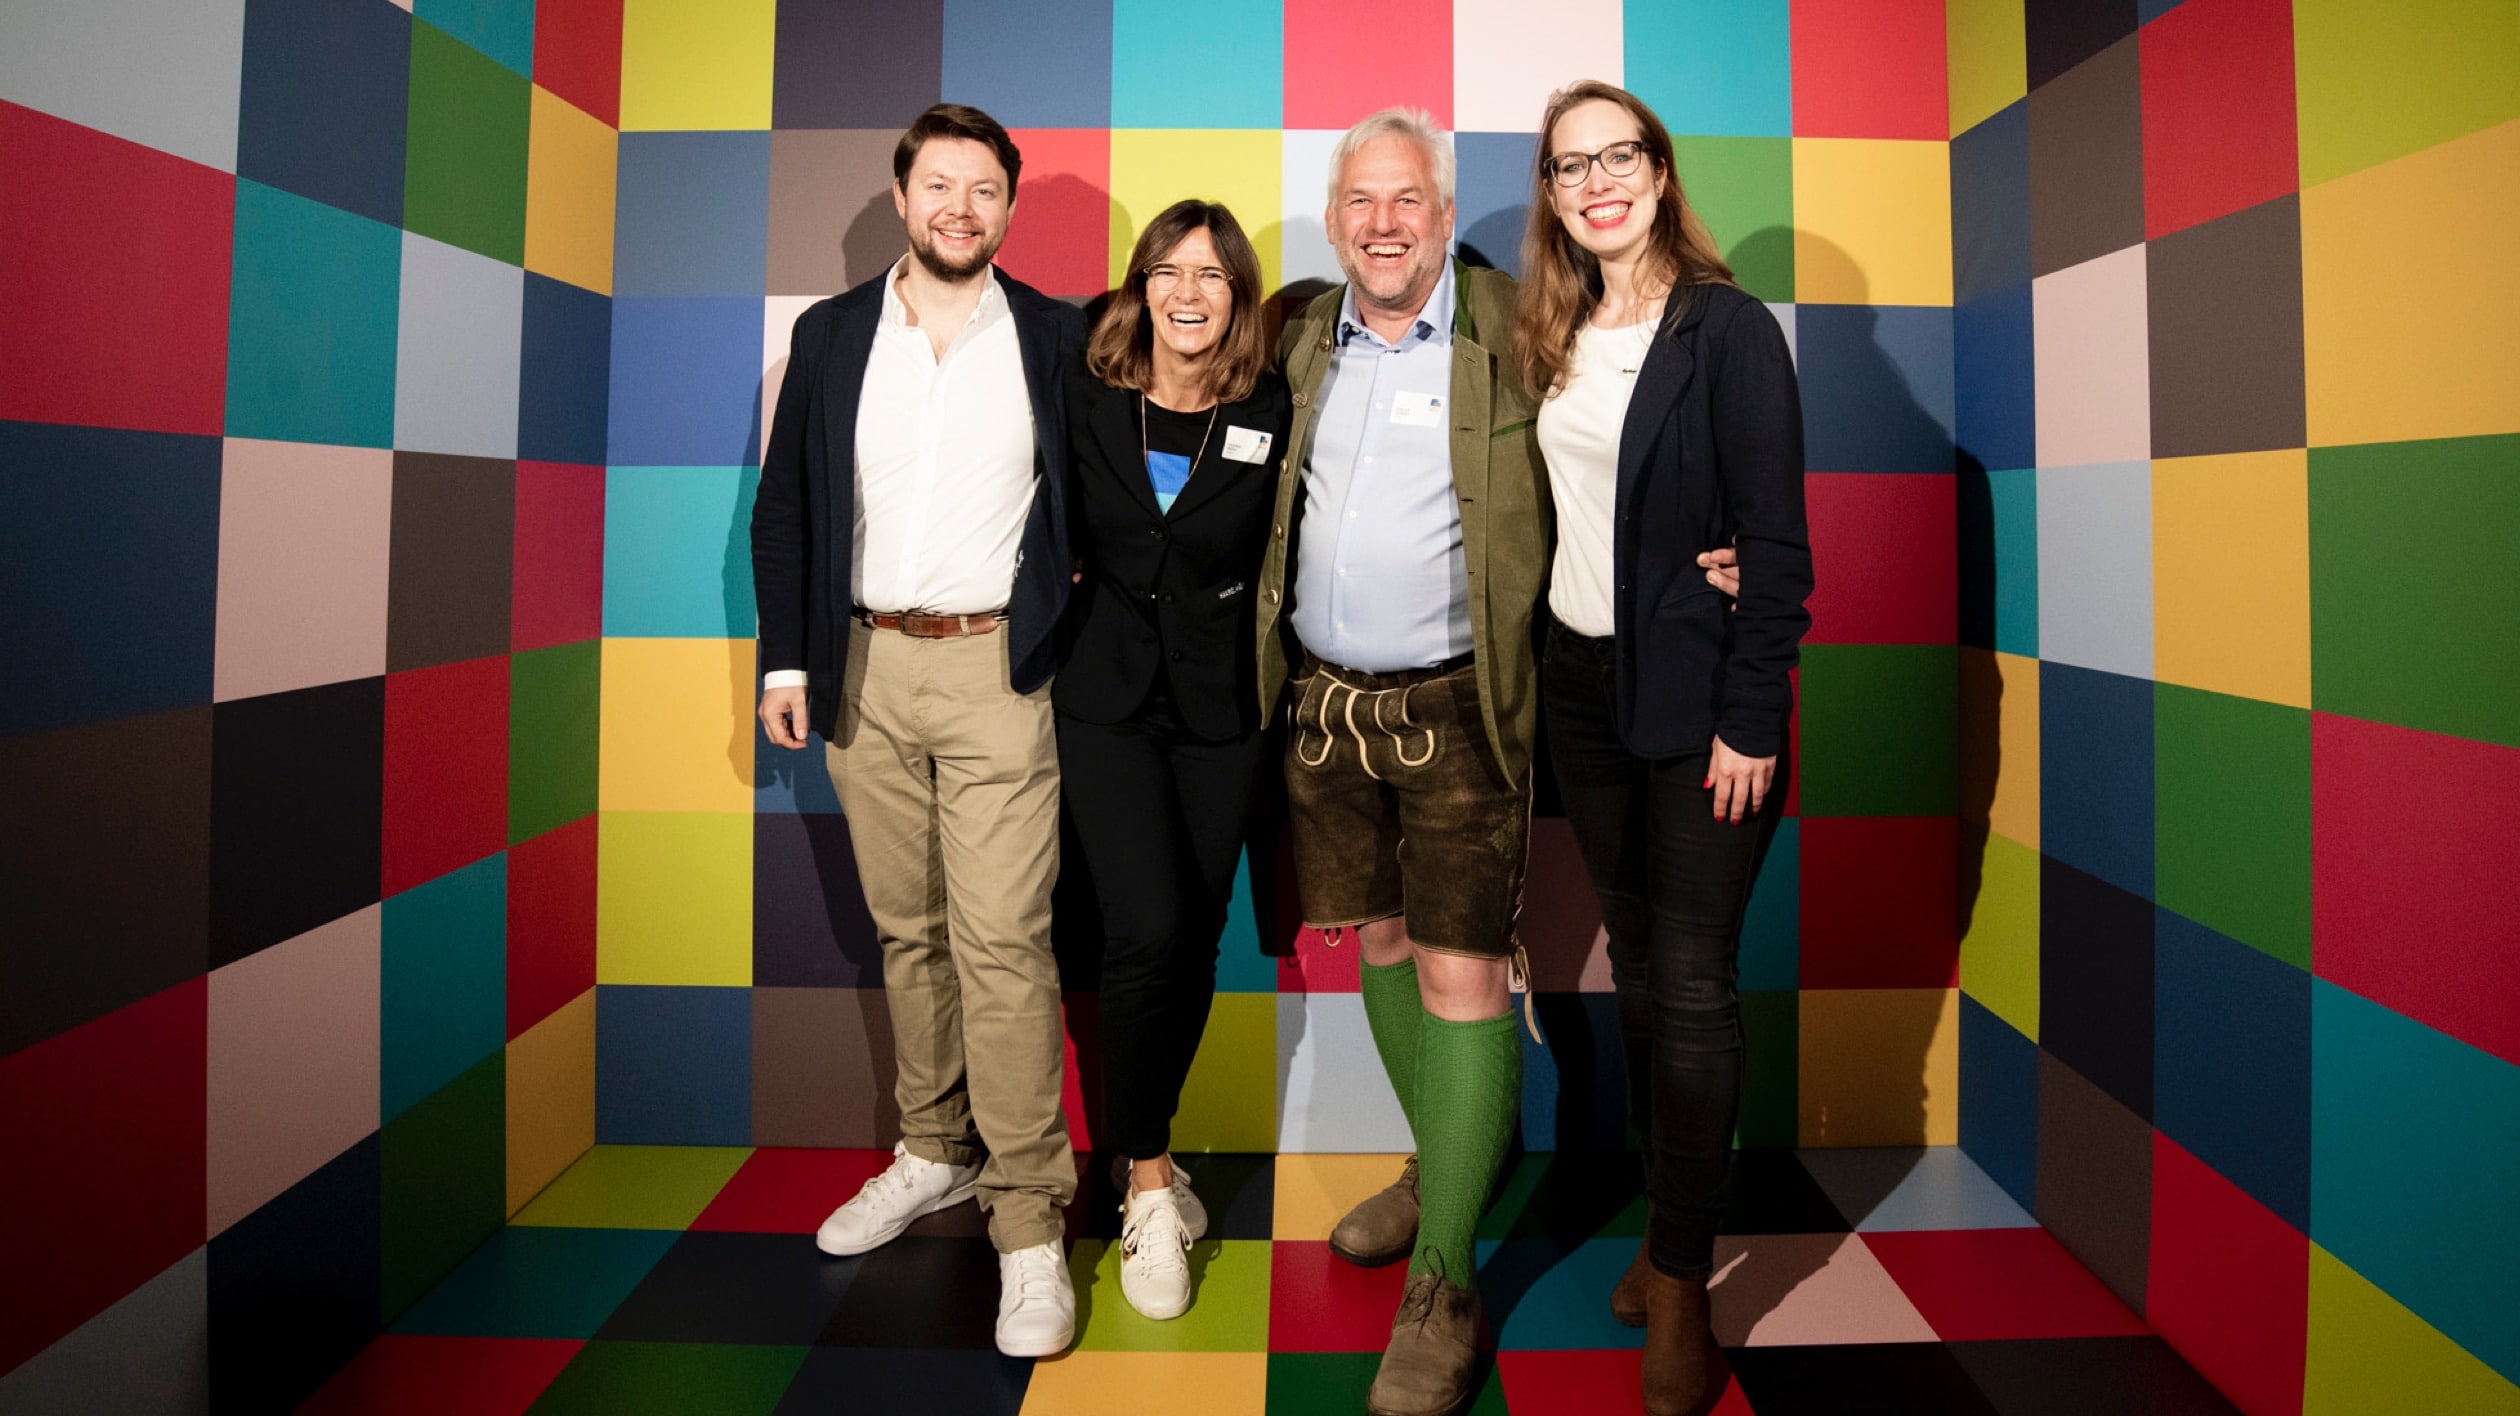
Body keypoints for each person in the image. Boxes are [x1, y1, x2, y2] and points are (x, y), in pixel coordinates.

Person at [751, 103, 1088, 1360]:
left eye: (984, 189)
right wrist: (788, 656)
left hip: (1000, 672)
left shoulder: (1059, 336)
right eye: (938, 184)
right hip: (863, 670)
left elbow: (1098, 513)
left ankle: (1028, 1221)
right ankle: (933, 1150)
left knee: (1003, 942)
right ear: (902, 198)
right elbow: (785, 509)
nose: (961, 207)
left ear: (1009, 208)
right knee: (912, 931)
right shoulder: (833, 335)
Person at [1513, 81, 1813, 1416]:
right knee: (1639, 967)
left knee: (1692, 981)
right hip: (1582, 691)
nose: (1597, 183)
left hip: (1701, 703)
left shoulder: (1731, 331)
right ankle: (1657, 1233)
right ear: (1555, 195)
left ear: (1659, 168)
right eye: (1571, 166)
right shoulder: (1557, 330)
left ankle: (1684, 1279)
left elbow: (1781, 549)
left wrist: (1753, 715)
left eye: (1617, 155)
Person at [1254, 107, 1550, 1416]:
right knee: (1374, 944)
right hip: (1321, 711)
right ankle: (1444, 1163)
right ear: (1337, 221)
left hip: (1458, 714)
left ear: (1442, 215)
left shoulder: (1510, 333)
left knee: (1460, 970)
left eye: (1408, 201)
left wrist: (1711, 551)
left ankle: (1446, 1280)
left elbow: (1610, 452)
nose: (1383, 223)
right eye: (1360, 202)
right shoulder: (1303, 335)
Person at [1055, 200, 1290, 1320]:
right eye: (1167, 270)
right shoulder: (1086, 394)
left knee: (1192, 940)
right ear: (1138, 284)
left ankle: (1145, 1150)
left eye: (1212, 275)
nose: (1188, 292)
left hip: (1221, 712)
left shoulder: (1269, 405)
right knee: (1142, 927)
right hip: (1102, 703)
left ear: (1239, 298)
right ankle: (1146, 1177)